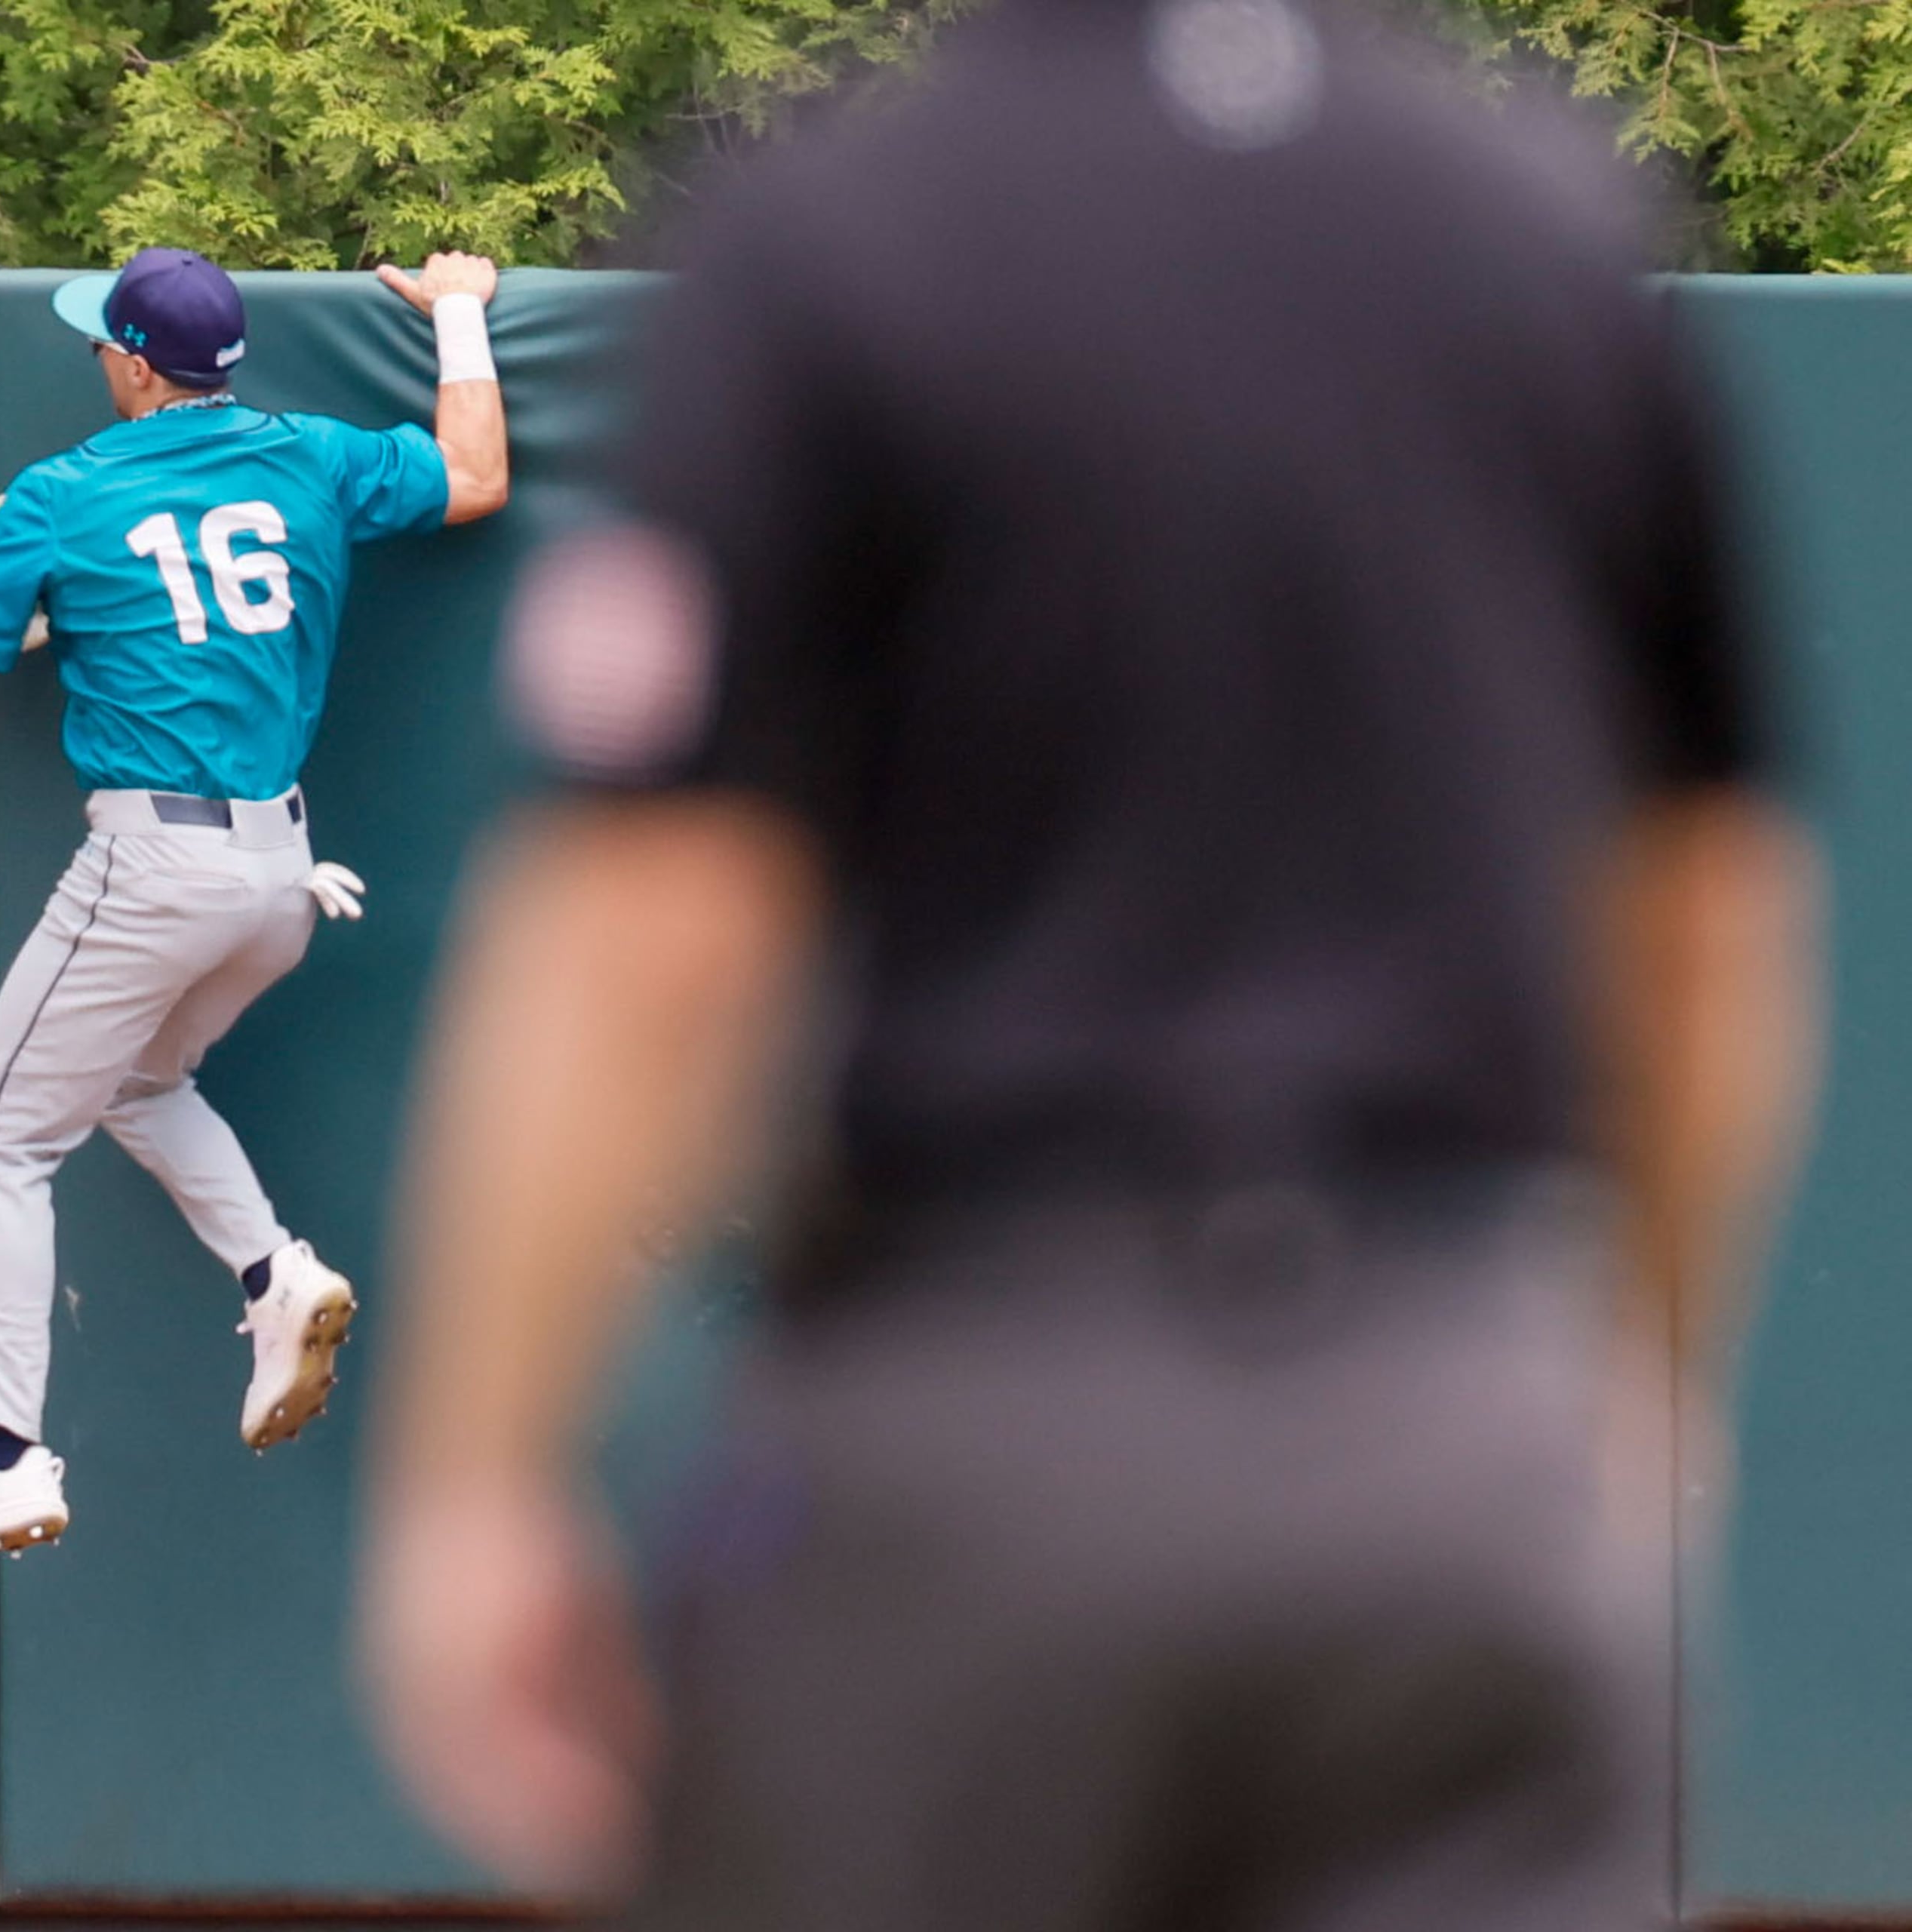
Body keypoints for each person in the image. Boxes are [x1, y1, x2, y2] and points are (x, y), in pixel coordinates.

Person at [356, 3, 1823, 1925]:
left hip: (978, 1435)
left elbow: (659, 916)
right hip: (1454, 1428)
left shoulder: (832, 229)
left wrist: (477, 1486)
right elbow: (1704, 906)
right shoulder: (1548, 224)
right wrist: (1636, 1401)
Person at [0, 245, 511, 1580]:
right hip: (279, 871)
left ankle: (4, 1461)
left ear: (141, 364)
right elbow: (479, 479)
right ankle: (276, 1277)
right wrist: (457, 317)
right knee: (141, 1087)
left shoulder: (60, 495)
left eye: (108, 340)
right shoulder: (315, 456)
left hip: (153, 867)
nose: (99, 353)